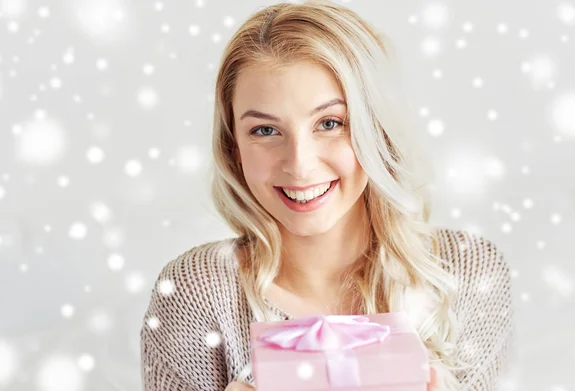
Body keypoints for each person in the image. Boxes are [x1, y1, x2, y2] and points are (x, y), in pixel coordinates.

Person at [140, 1, 514, 390]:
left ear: (377, 130)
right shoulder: (195, 295)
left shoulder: (467, 276)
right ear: (233, 144)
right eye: (265, 131)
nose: (299, 165)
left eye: (330, 123)